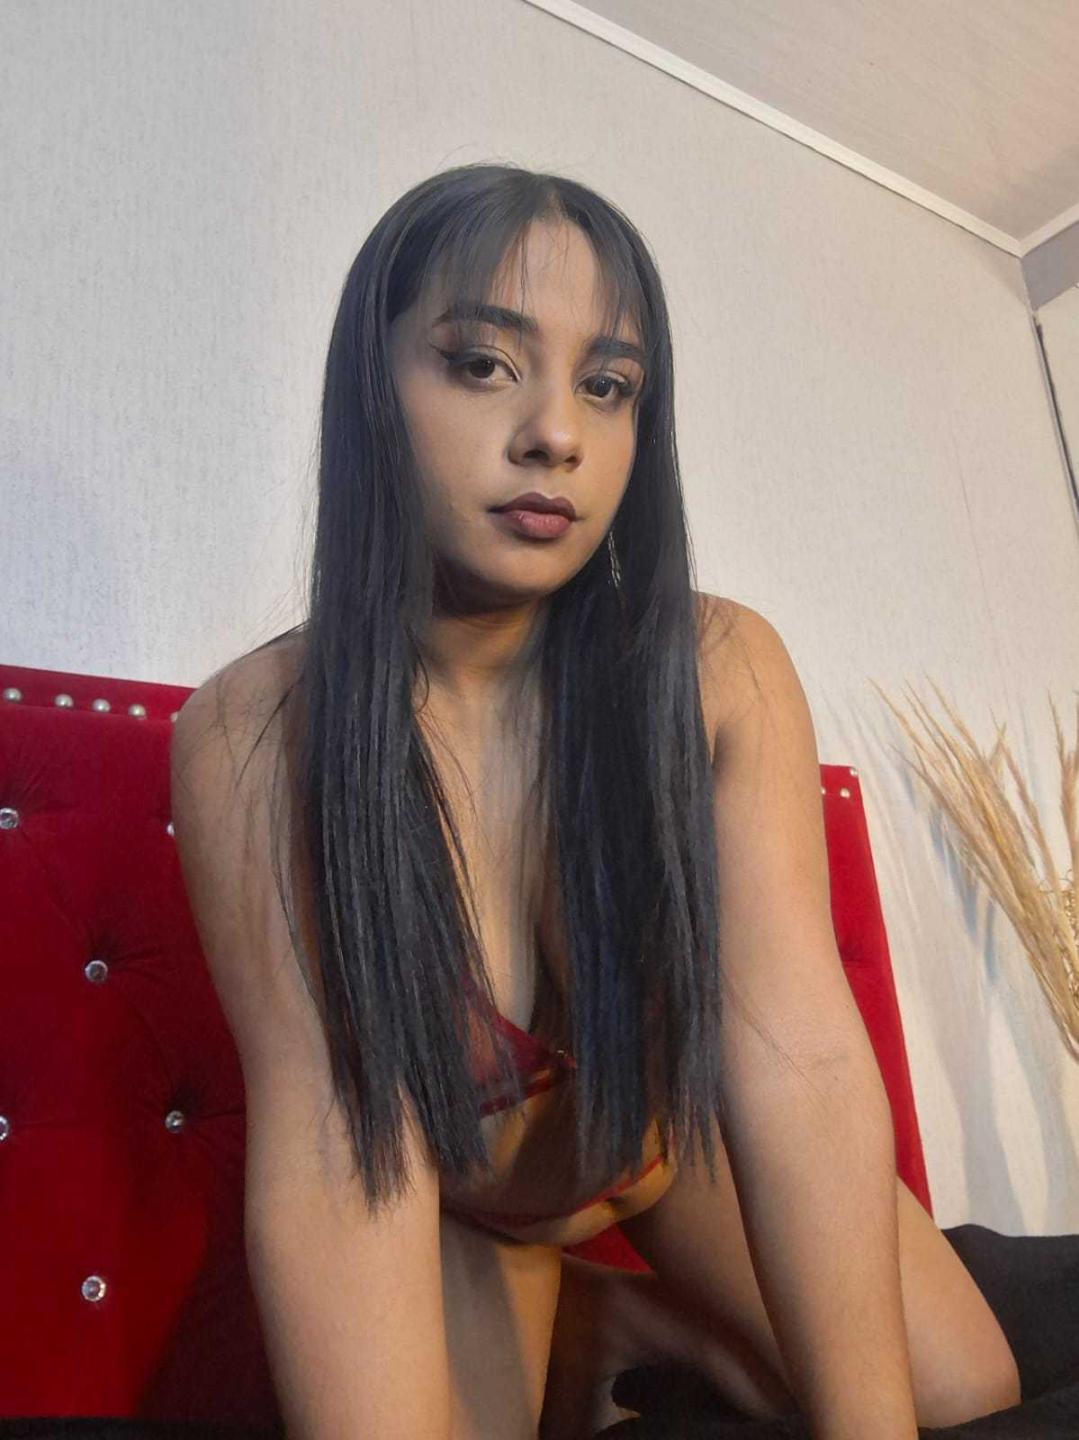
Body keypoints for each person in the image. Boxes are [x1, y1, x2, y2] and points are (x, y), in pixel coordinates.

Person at [169, 162, 1021, 1440]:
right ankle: (588, 1314)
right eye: (481, 364)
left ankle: (617, 1314)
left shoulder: (718, 671)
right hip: (463, 1205)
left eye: (607, 385)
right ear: (370, 386)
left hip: (664, 1152)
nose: (554, 433)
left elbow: (796, 1055)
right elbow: (333, 1143)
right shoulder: (254, 732)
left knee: (964, 1392)